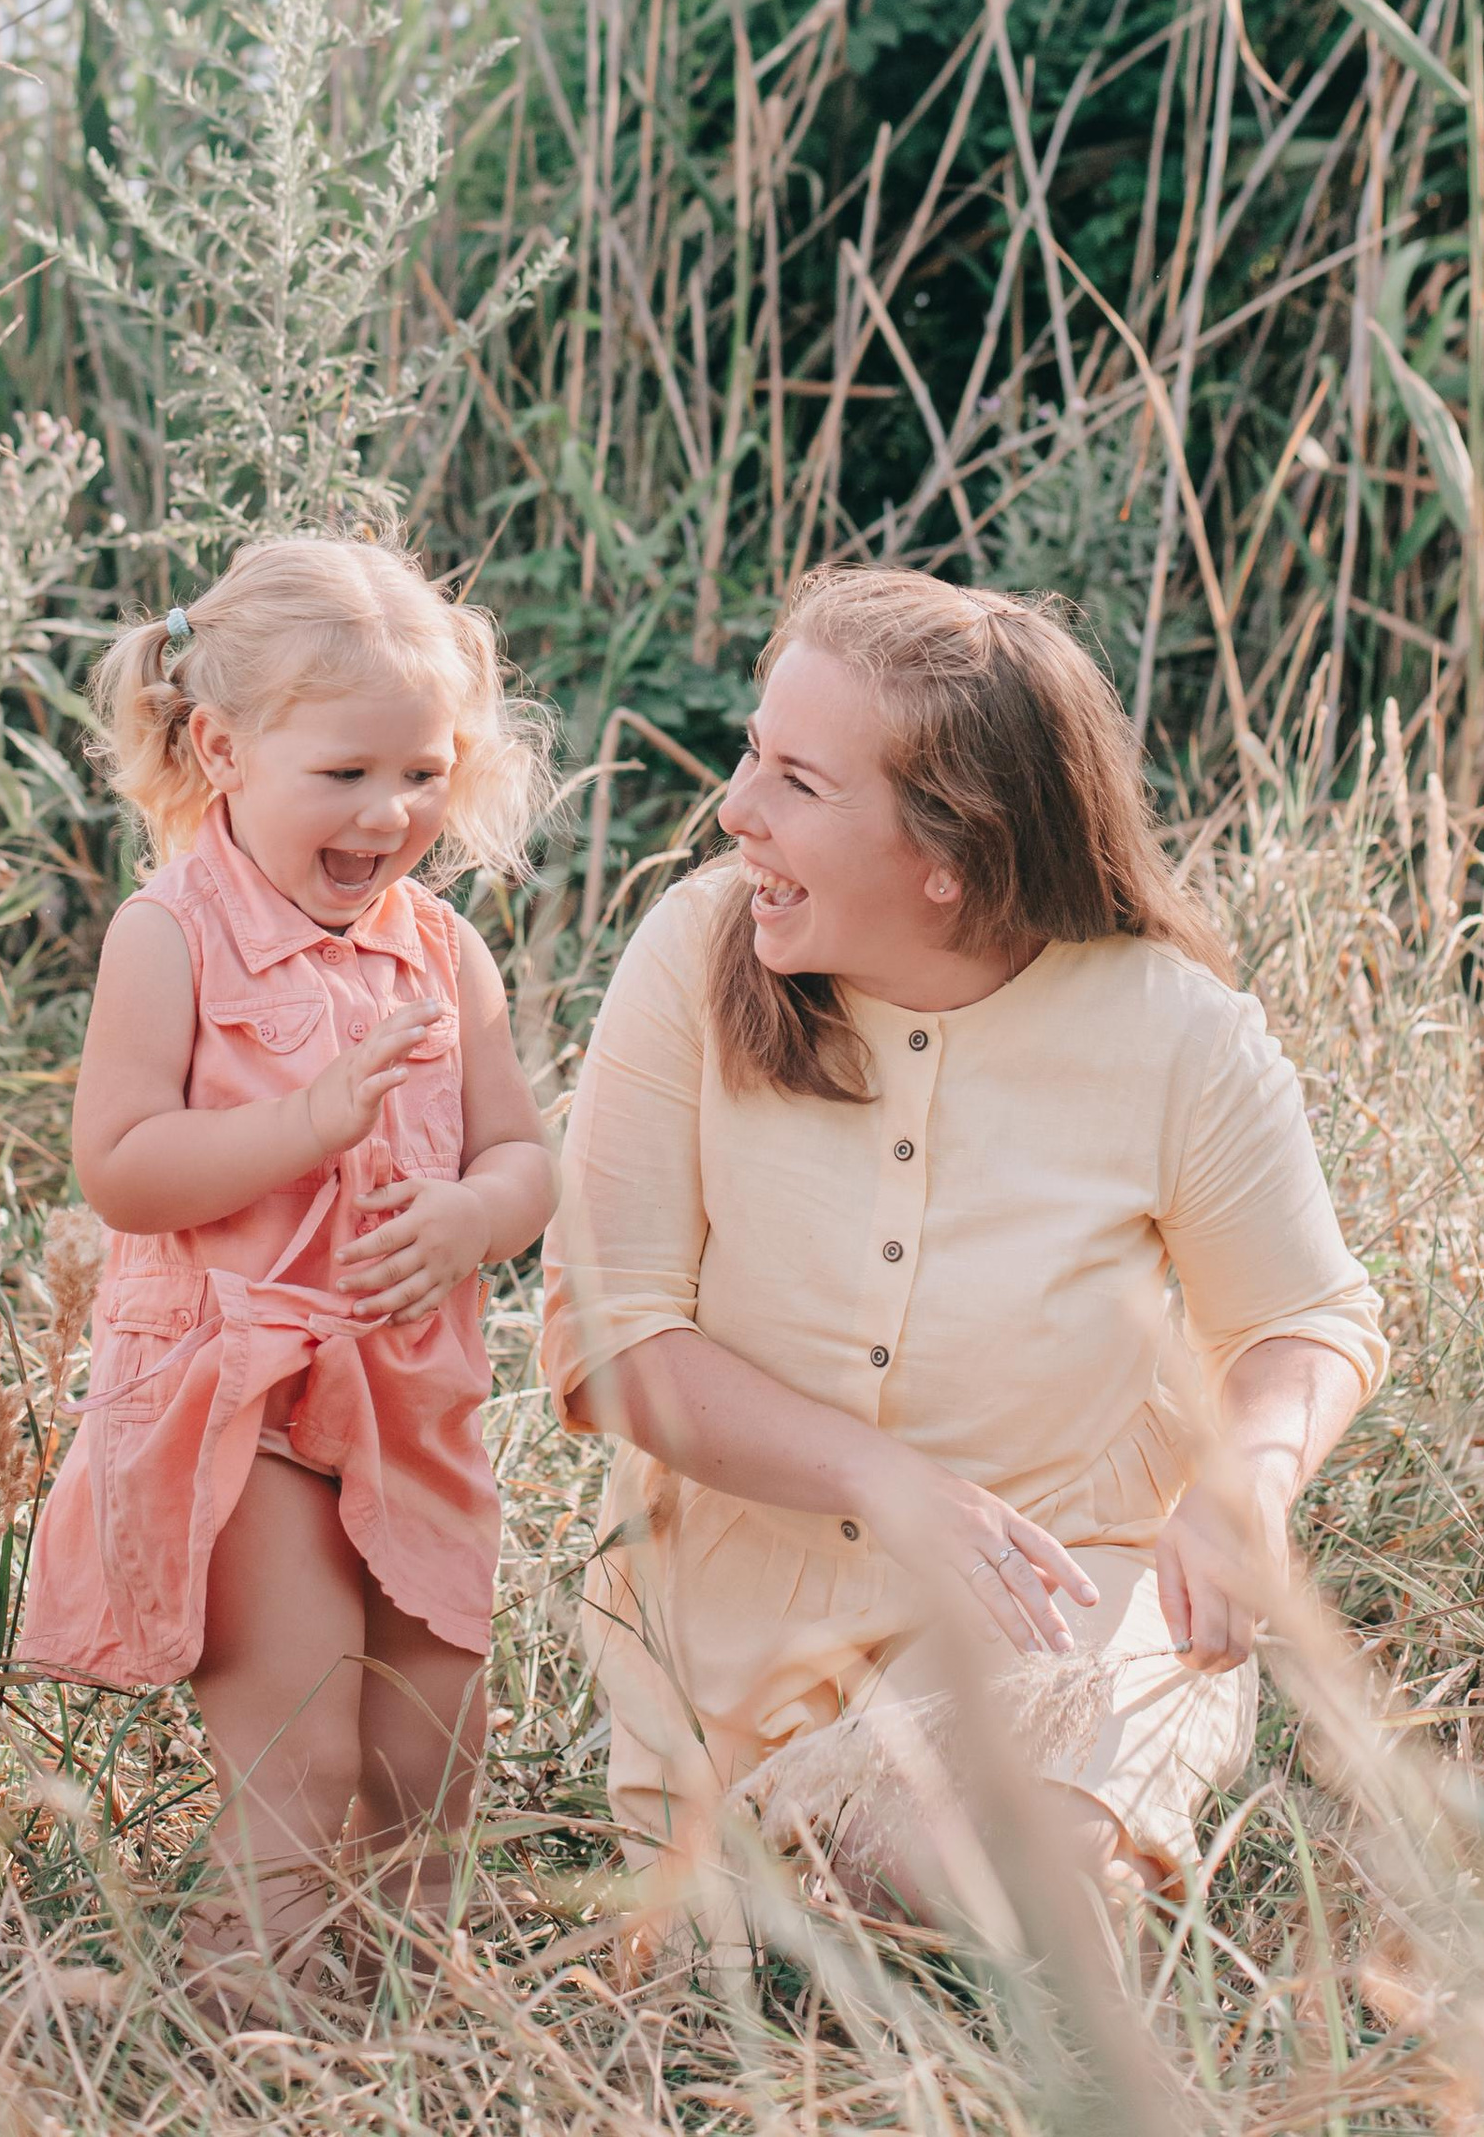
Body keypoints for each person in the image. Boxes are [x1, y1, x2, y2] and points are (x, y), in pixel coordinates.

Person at [540, 565, 1386, 1925]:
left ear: (952, 857)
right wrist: (889, 1481)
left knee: (1028, 1879)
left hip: (1056, 1598)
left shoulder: (1176, 1032)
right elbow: (611, 1345)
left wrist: (1249, 1482)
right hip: (731, 1630)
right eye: (755, 754)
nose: (735, 809)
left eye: (799, 783)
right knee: (827, 1898)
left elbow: (1306, 1317)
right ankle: (802, 1848)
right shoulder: (693, 953)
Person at [19, 533, 555, 2009]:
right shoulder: (169, 937)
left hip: (408, 1401)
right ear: (222, 749)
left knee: (431, 1758)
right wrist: (308, 1122)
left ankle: (409, 2026)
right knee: (307, 1752)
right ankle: (244, 2033)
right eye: (345, 773)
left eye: (425, 772)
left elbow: (524, 1154)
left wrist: (472, 1218)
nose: (390, 812)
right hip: (238, 1393)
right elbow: (123, 1164)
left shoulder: (441, 952)